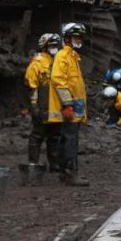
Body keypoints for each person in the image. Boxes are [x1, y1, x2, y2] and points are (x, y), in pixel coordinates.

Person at [49, 23, 89, 186]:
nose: (79, 40)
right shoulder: (63, 56)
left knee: (68, 138)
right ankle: (70, 173)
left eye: (80, 37)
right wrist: (67, 104)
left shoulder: (73, 56)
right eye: (76, 37)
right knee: (70, 140)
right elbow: (58, 80)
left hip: (75, 104)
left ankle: (65, 172)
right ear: (67, 39)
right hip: (69, 105)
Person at [25, 33, 62, 172]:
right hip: (42, 104)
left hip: (57, 105)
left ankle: (55, 164)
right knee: (37, 135)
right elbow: (31, 85)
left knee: (55, 136)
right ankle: (33, 164)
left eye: (56, 45)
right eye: (52, 45)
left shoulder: (58, 61)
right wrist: (34, 105)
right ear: (44, 46)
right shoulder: (37, 63)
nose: (55, 48)